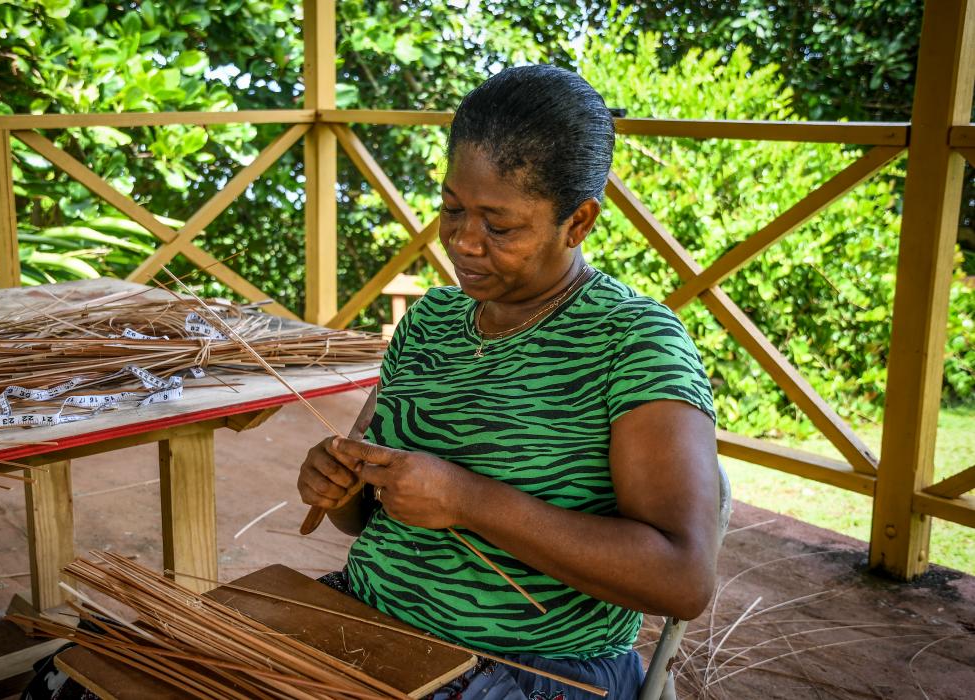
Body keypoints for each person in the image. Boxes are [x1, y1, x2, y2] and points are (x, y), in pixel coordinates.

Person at [297, 64, 720, 700]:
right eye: (452, 209)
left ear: (578, 222)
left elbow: (682, 579)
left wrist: (470, 501)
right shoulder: (431, 322)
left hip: (532, 669)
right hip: (370, 622)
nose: (464, 242)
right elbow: (363, 518)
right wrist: (339, 482)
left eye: (500, 226)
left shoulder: (634, 343)